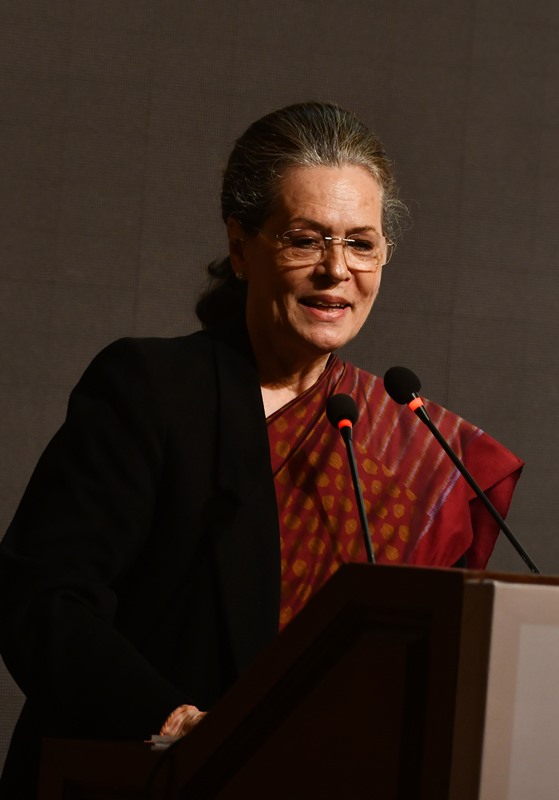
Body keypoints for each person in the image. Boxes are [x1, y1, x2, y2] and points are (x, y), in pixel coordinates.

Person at [0, 102, 523, 797]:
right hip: (139, 777)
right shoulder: (151, 389)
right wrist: (176, 723)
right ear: (241, 245)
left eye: (360, 243)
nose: (335, 270)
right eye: (305, 239)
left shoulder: (401, 441)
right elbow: (44, 601)